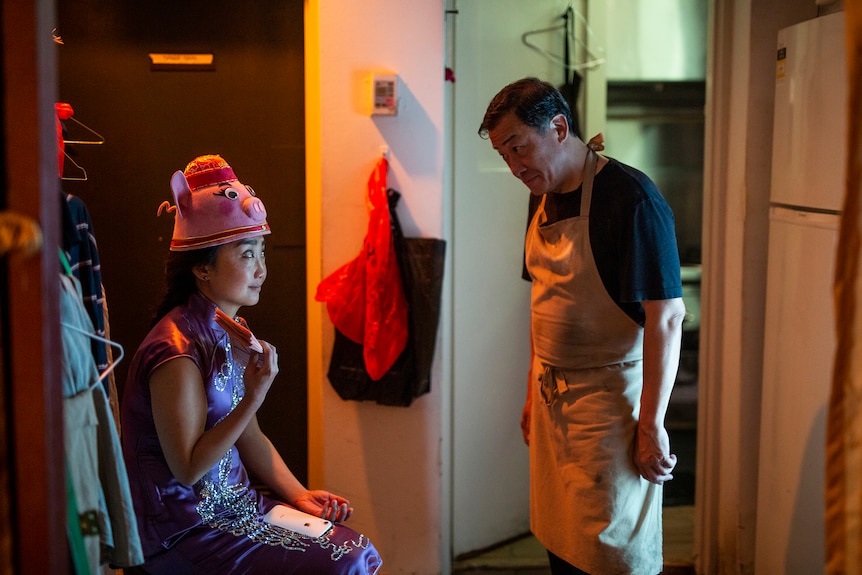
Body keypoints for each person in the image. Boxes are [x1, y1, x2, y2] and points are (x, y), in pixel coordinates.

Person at [120, 154, 383, 574]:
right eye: (246, 255)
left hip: (237, 507)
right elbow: (188, 470)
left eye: (261, 252)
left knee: (355, 549)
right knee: (343, 564)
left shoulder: (227, 328)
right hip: (185, 529)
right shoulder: (176, 349)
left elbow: (249, 435)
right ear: (202, 269)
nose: (261, 269)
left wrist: (299, 495)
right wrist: (255, 393)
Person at [478, 77, 686, 575]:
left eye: (518, 148)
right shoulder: (542, 194)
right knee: (562, 546)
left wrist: (652, 424)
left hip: (609, 410)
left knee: (613, 556)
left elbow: (667, 317)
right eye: (505, 155)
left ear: (558, 127)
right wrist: (532, 394)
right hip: (552, 404)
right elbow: (544, 300)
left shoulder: (631, 198)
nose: (515, 167)